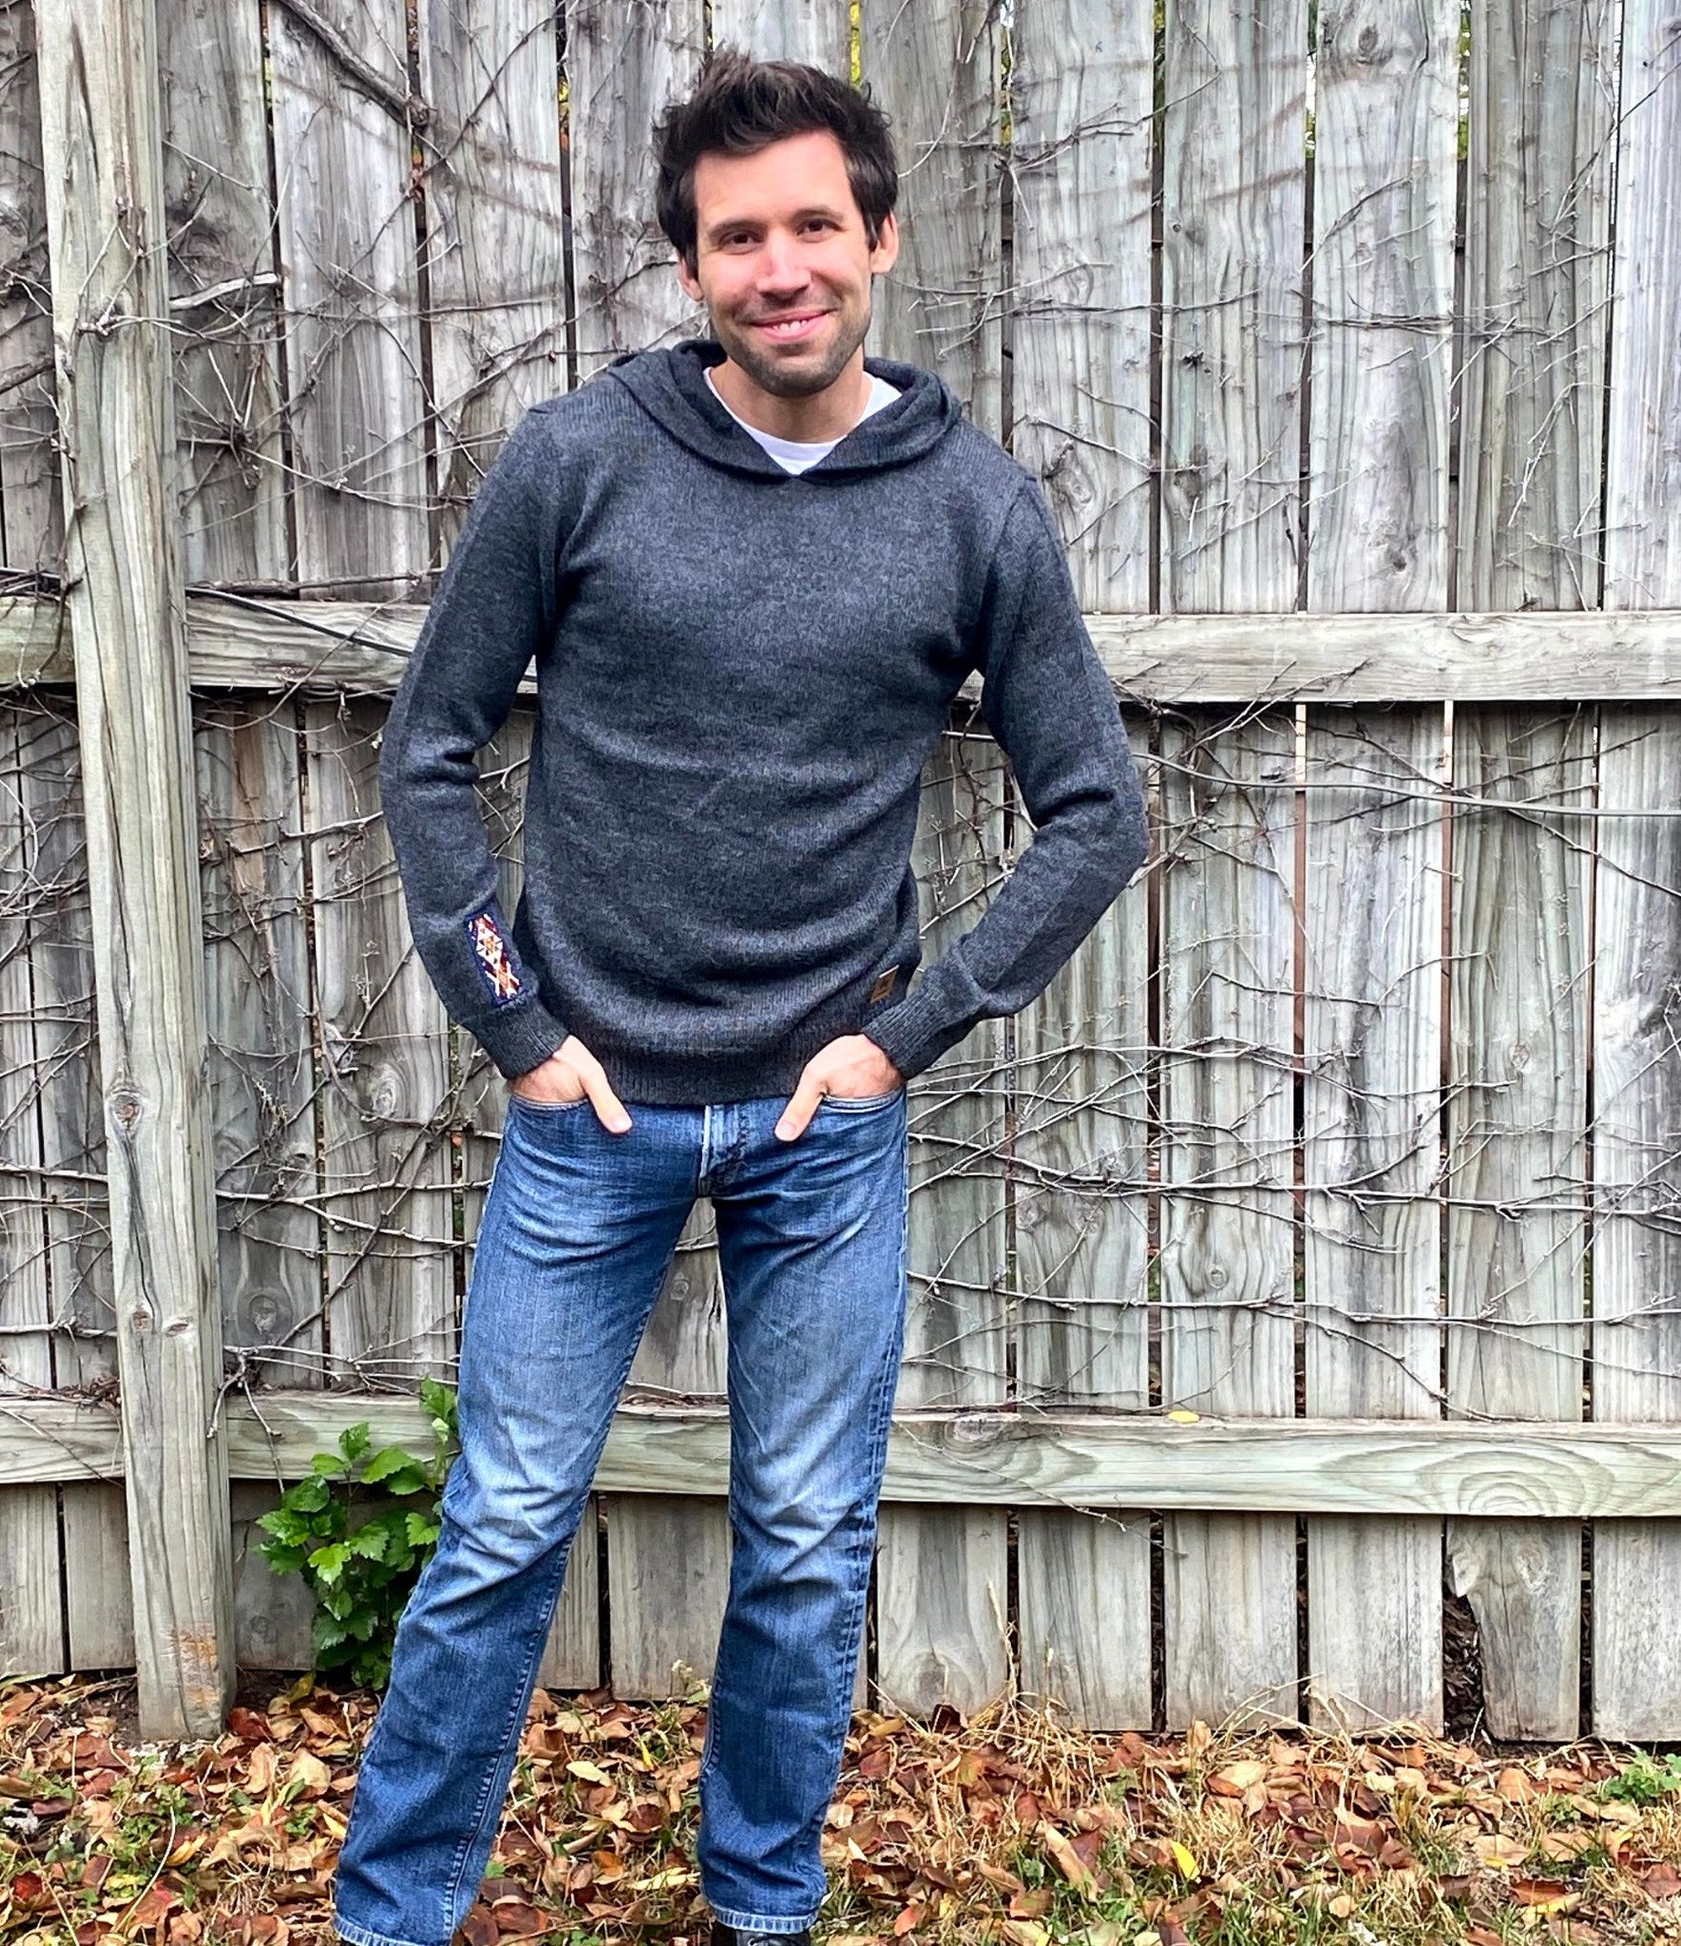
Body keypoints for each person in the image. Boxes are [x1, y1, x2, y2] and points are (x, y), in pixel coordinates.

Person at [333, 49, 1148, 1946]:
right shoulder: (579, 461)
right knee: (501, 1527)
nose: (779, 268)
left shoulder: (972, 507)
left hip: (820, 1126)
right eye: (735, 239)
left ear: (880, 237)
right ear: (690, 267)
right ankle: (392, 1915)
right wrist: (516, 1030)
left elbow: (1096, 812)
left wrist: (904, 1039)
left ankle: (762, 1907)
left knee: (801, 1543)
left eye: (810, 226)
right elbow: (427, 746)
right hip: (591, 1111)